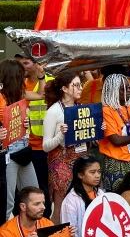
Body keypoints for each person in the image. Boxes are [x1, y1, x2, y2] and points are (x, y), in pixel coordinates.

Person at [42, 71, 87, 223]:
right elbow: (45, 146)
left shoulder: (81, 108)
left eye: (80, 85)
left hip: (80, 160)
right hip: (60, 164)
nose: (80, 88)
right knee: (60, 210)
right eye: (76, 85)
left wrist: (98, 130)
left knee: (80, 204)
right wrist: (60, 135)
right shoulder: (53, 111)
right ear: (65, 89)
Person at [15, 54, 53, 219]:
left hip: (45, 143)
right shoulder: (17, 85)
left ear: (36, 64)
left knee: (42, 187)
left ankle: (42, 220)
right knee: (21, 190)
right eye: (19, 64)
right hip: (22, 145)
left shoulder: (50, 81)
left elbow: (42, 95)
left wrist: (41, 76)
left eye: (25, 62)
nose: (22, 67)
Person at [0, 60, 39, 220]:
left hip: (23, 149)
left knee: (34, 193)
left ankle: (27, 229)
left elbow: (40, 95)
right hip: (6, 154)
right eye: (21, 77)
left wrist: (25, 122)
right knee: (7, 203)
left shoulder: (20, 96)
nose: (24, 80)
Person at [0, 187, 72, 237]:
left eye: (43, 203)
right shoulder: (6, 232)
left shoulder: (47, 224)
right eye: (37, 204)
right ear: (23, 207)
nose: (43, 207)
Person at [60, 157, 104, 237]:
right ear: (80, 175)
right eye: (92, 172)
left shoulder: (101, 194)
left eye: (99, 172)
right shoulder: (71, 200)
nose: (97, 176)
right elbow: (70, 231)